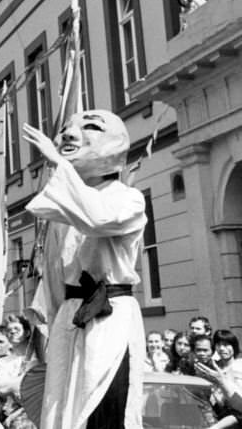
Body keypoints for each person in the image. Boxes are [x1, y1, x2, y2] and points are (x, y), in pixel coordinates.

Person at [23, 110, 147, 429]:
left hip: (110, 317)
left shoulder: (128, 199)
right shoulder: (61, 213)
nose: (69, 134)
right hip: (70, 319)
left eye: (89, 126)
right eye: (65, 128)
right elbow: (52, 275)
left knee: (105, 405)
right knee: (62, 410)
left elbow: (97, 219)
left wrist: (59, 165)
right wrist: (47, 326)